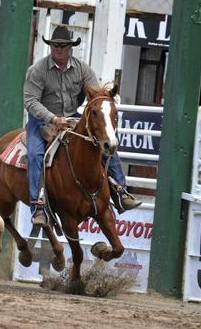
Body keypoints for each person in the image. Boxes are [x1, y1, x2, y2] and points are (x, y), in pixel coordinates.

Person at [23, 25, 142, 227]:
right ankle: (38, 206)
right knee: (34, 154)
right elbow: (31, 101)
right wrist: (53, 118)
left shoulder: (83, 70)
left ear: (70, 48)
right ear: (50, 46)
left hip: (71, 118)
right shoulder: (38, 70)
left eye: (63, 45)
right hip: (41, 121)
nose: (58, 49)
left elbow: (96, 95)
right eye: (55, 45)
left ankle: (120, 191)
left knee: (103, 144)